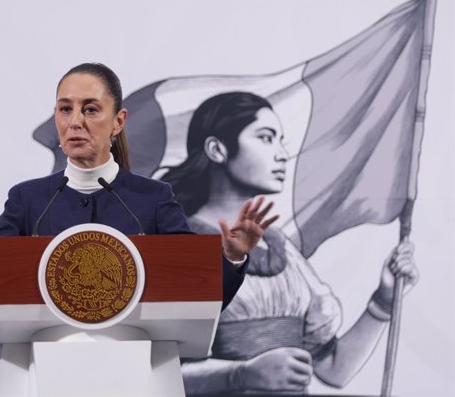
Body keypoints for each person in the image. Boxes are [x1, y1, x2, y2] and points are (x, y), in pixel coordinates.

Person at [0, 63, 278, 309]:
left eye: (90, 109)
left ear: (118, 122)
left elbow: (199, 292)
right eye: (64, 109)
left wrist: (232, 257)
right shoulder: (27, 200)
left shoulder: (152, 199)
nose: (75, 122)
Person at [160, 92, 419, 395]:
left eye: (280, 140)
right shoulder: (179, 245)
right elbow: (154, 377)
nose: (282, 154)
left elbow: (333, 369)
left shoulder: (280, 249)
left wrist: (384, 300)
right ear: (217, 149)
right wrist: (240, 375)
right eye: (266, 138)